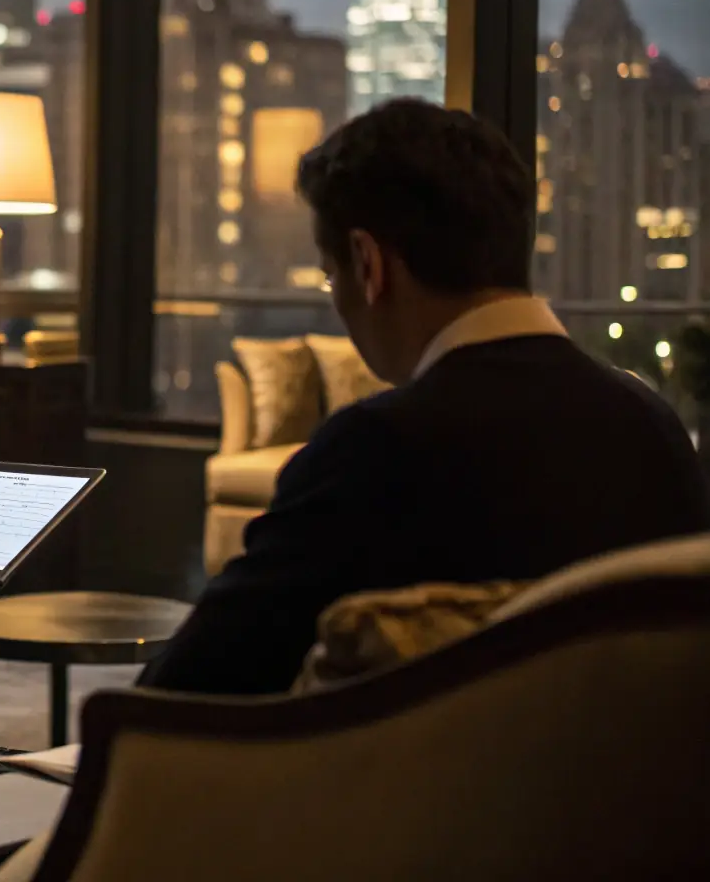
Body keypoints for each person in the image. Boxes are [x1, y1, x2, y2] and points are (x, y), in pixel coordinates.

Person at [140, 98, 710, 696]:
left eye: (331, 276)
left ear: (368, 264)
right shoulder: (656, 430)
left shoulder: (374, 450)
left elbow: (182, 694)